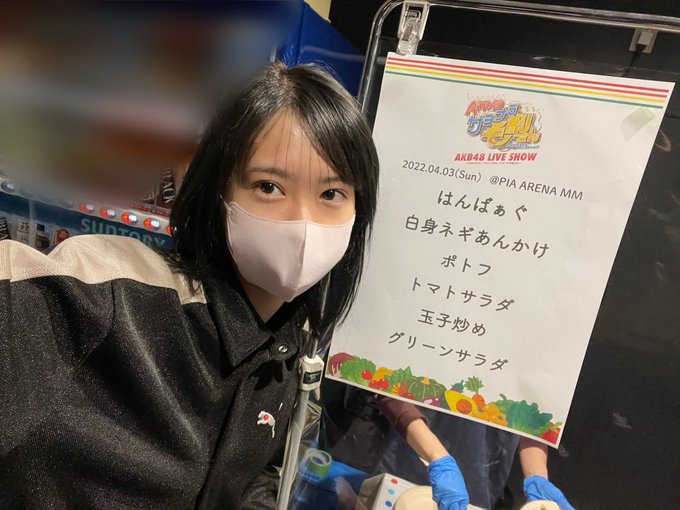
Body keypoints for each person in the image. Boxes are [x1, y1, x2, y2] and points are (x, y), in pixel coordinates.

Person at [0, 62, 379, 508]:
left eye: (331, 194)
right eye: (268, 186)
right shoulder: (111, 298)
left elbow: (245, 480)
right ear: (219, 192)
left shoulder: (289, 347)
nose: (304, 222)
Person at [376, 398, 575, 510]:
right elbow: (389, 389)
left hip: (484, 474)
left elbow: (533, 421)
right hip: (411, 454)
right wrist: (438, 458)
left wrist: (537, 478)